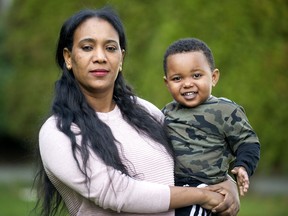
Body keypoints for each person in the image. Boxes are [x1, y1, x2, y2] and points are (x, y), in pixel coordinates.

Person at [34, 8, 240, 216]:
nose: (100, 57)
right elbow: (116, 193)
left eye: (110, 48)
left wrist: (226, 183)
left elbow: (192, 153)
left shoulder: (145, 111)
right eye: (87, 47)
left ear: (121, 58)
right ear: (68, 58)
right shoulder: (57, 132)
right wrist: (203, 195)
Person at [162, 38, 260, 216]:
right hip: (173, 189)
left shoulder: (225, 110)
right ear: (167, 83)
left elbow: (248, 141)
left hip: (207, 188)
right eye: (177, 78)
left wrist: (243, 166)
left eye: (196, 75)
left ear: (213, 77)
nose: (187, 83)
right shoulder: (166, 112)